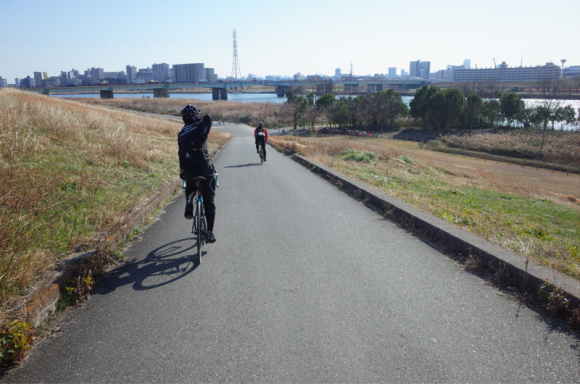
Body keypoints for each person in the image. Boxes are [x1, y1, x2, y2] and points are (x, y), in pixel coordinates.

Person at [177, 104, 217, 243]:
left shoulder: (181, 133)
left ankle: (189, 201)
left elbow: (180, 153)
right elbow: (209, 117)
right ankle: (210, 233)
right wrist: (199, 142)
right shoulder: (200, 124)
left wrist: (182, 170)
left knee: (190, 186)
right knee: (209, 202)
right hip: (203, 167)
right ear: (196, 115)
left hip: (188, 169)